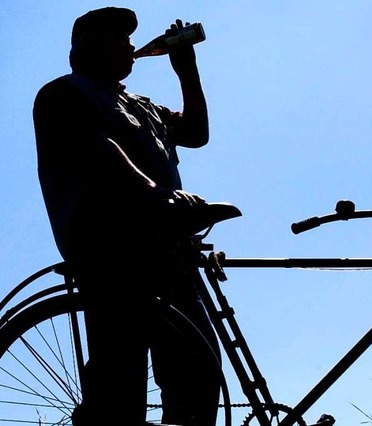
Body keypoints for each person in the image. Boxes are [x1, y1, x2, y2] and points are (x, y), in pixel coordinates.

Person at [33, 7, 222, 426]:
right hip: (112, 252)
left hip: (169, 248)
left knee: (199, 372)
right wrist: (157, 193)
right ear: (89, 45)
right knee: (120, 387)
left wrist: (186, 71)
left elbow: (195, 133)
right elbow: (96, 149)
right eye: (119, 38)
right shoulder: (63, 94)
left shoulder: (141, 104)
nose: (132, 47)